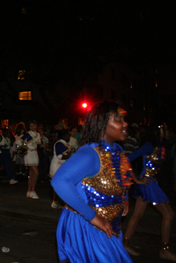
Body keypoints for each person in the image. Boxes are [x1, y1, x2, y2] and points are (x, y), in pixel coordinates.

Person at [51, 101, 133, 263]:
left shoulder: (118, 150)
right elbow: (60, 181)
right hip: (86, 226)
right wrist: (92, 216)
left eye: (124, 119)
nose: (125, 123)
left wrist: (125, 197)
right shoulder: (91, 154)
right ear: (102, 124)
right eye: (118, 119)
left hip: (111, 226)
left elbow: (122, 177)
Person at [123, 125, 176, 261]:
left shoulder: (160, 144)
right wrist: (136, 179)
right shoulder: (149, 146)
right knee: (169, 214)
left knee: (137, 215)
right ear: (158, 131)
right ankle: (164, 250)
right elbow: (126, 159)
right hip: (148, 183)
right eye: (165, 129)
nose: (168, 131)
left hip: (151, 183)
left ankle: (125, 244)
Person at [49, 129, 75, 209]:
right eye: (67, 135)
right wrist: (72, 156)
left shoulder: (66, 144)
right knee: (58, 185)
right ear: (63, 136)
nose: (69, 137)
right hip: (56, 166)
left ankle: (57, 202)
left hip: (62, 167)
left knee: (59, 185)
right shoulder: (59, 144)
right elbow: (60, 156)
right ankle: (57, 202)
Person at [17, 121, 41, 199]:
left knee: (31, 174)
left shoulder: (38, 134)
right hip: (29, 154)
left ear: (36, 126)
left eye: (33, 125)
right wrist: (25, 147)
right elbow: (19, 142)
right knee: (36, 173)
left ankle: (29, 191)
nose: (32, 127)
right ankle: (33, 191)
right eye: (30, 126)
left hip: (35, 153)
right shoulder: (28, 134)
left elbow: (38, 144)